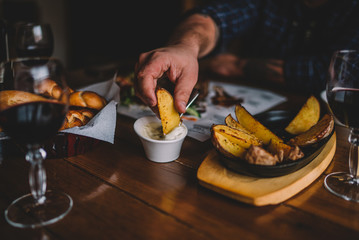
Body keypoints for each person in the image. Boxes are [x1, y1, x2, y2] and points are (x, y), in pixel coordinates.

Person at [134, 0, 359, 114]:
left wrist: (236, 66)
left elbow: (334, 74)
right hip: (252, 110)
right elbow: (213, 18)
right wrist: (185, 46)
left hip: (333, 124)